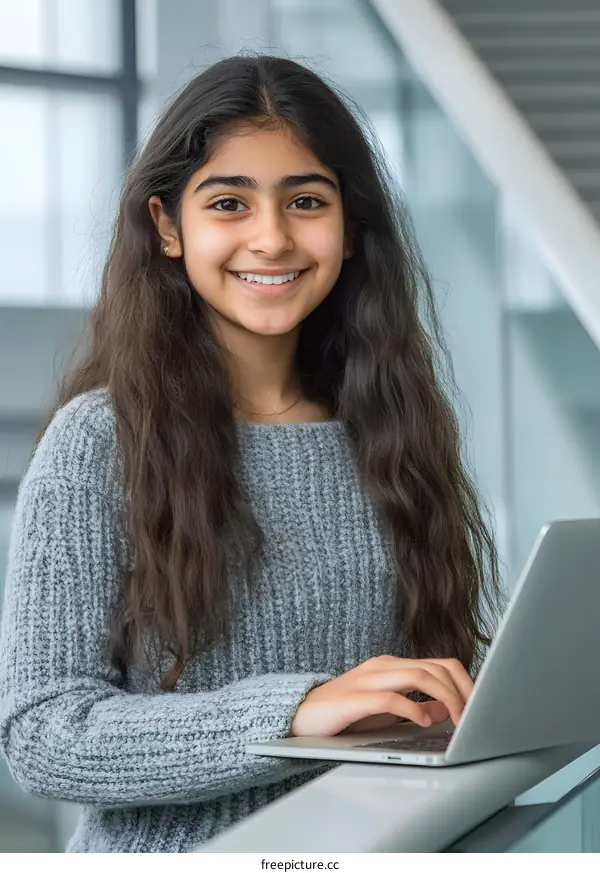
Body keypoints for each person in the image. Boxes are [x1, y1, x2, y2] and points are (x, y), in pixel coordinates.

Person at [0, 54, 504, 853]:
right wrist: (296, 710)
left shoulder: (394, 431)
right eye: (228, 202)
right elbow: (44, 733)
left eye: (306, 201)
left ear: (349, 227)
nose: (271, 239)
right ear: (168, 227)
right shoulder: (99, 441)